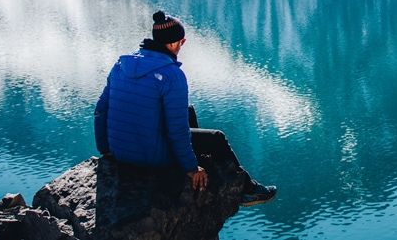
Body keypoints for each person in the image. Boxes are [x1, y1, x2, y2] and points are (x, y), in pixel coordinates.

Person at [94, 11, 277, 206]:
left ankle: (197, 158)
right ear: (174, 43)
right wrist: (190, 168)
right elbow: (177, 130)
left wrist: (106, 149)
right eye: (182, 42)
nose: (182, 46)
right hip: (152, 157)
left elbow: (101, 110)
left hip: (119, 152)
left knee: (186, 109)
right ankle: (247, 190)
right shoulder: (172, 74)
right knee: (217, 138)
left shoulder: (121, 64)